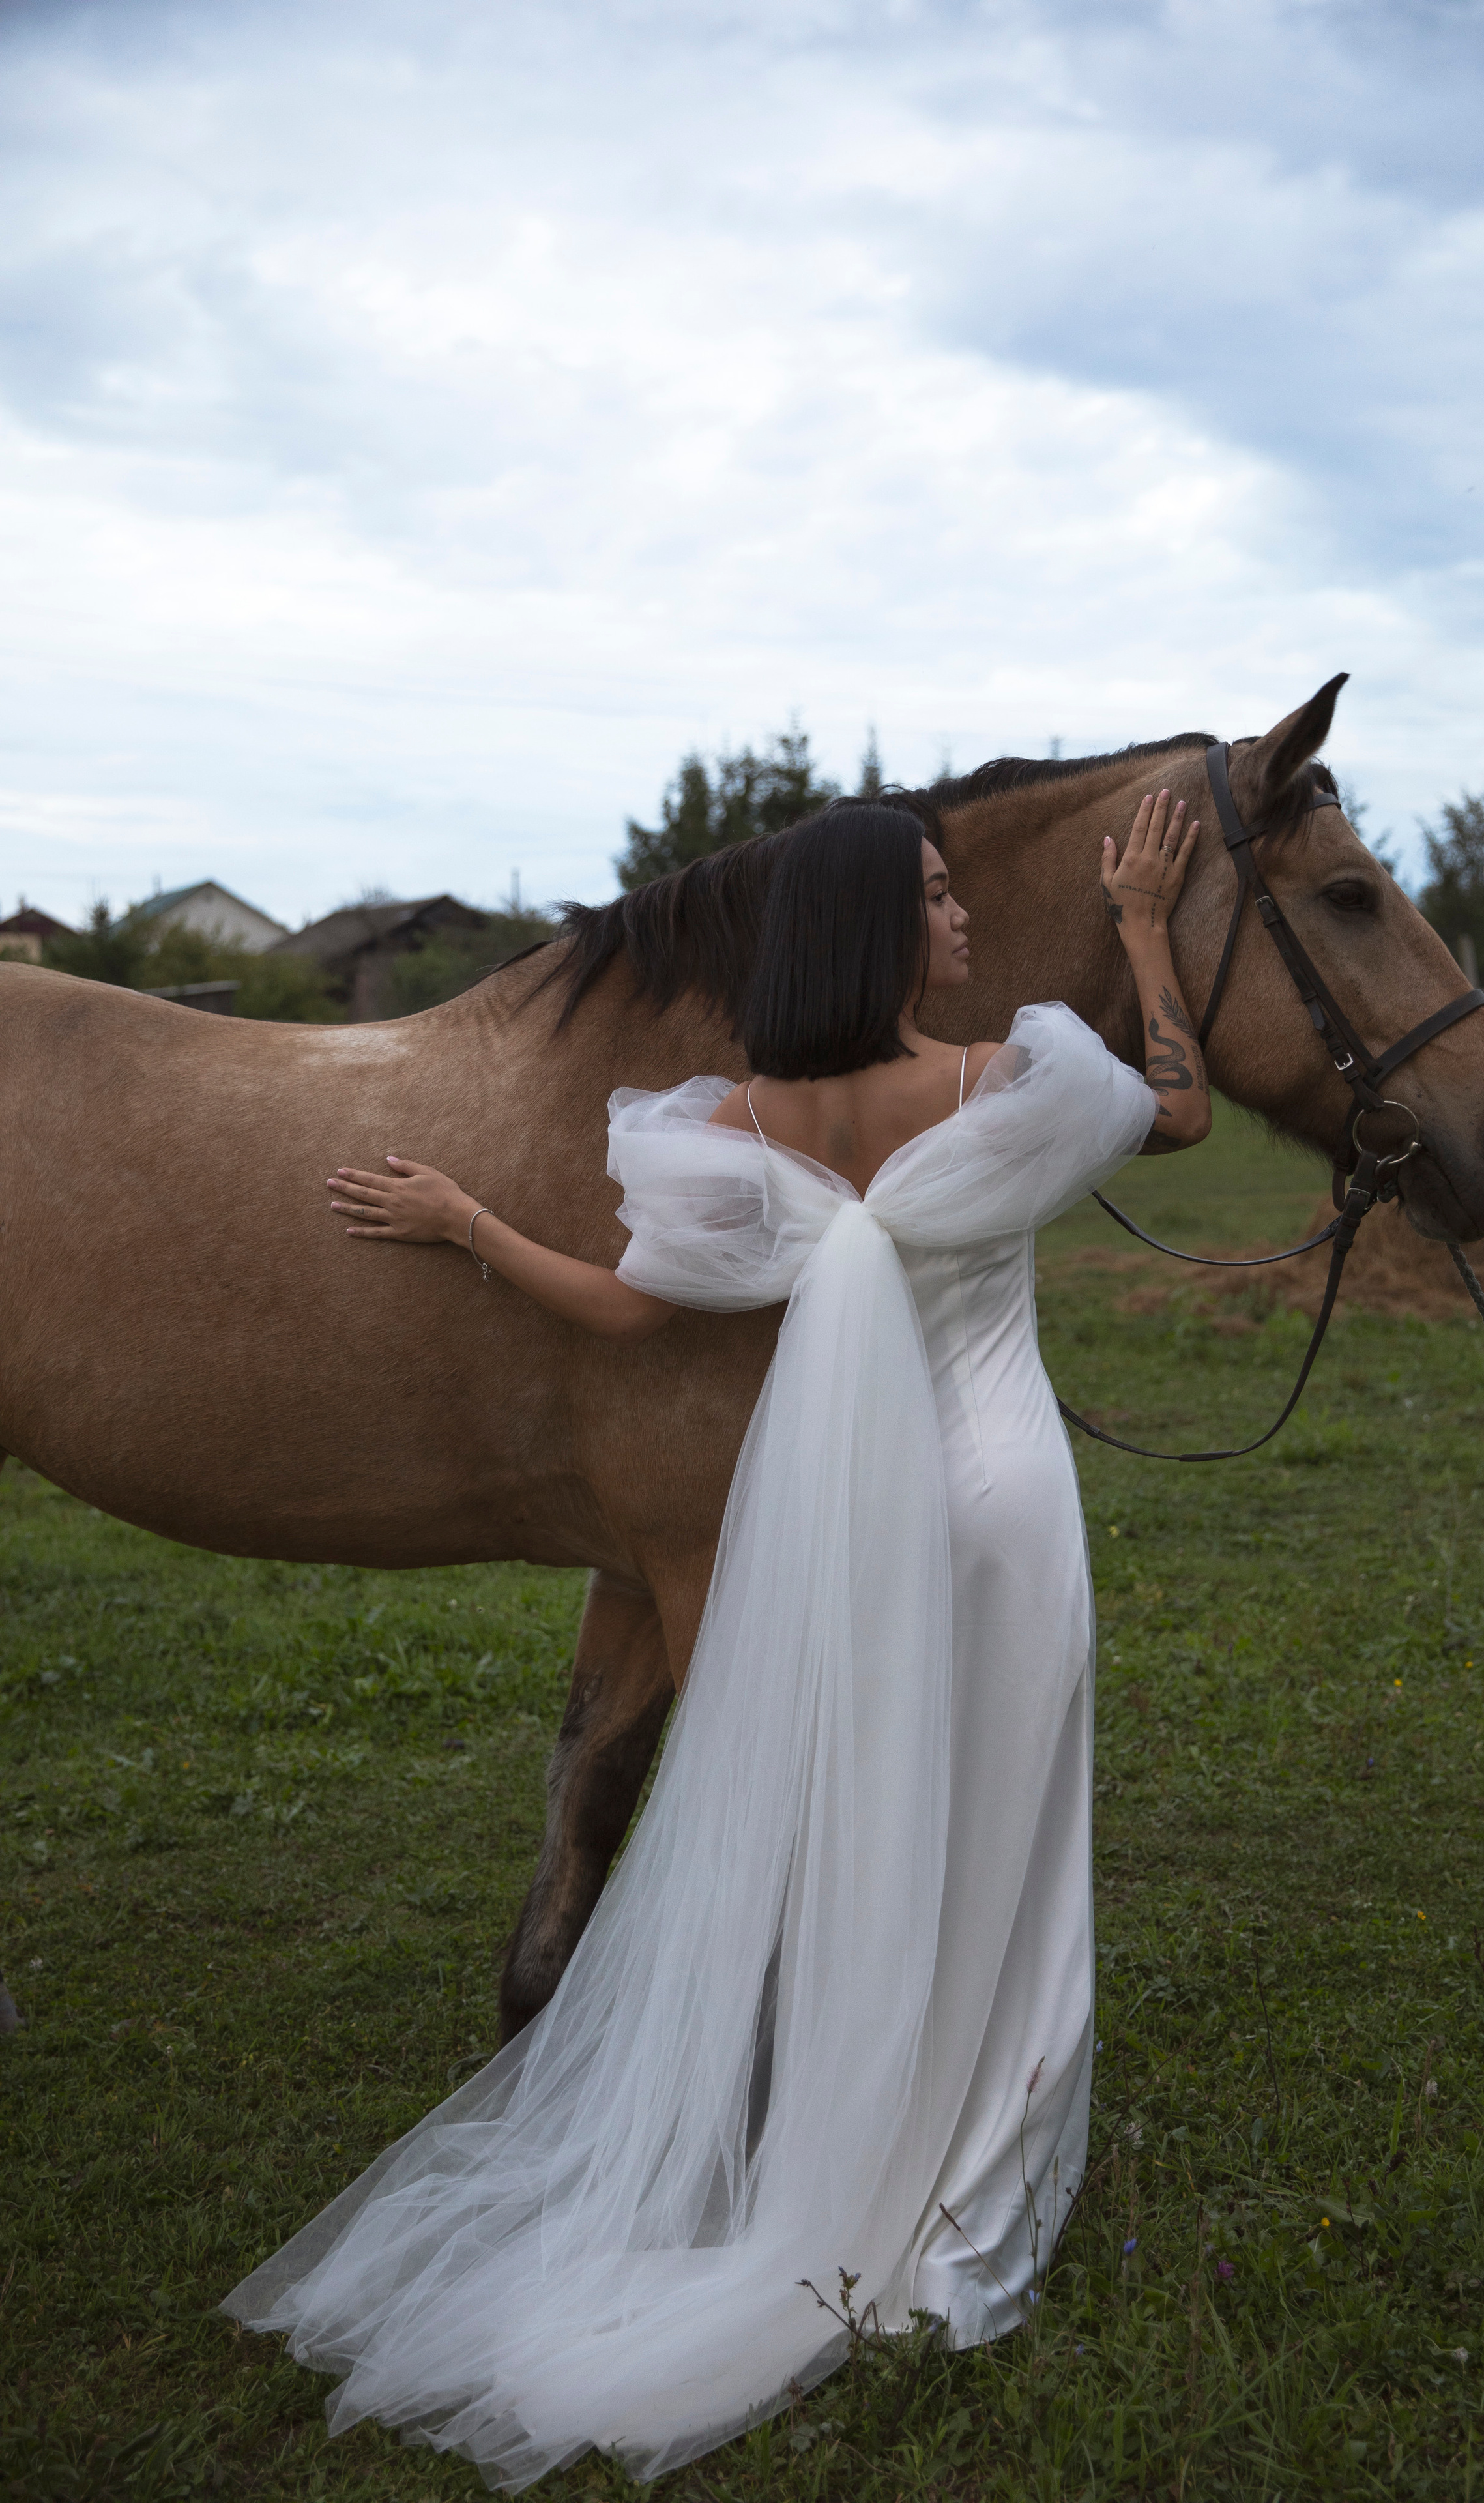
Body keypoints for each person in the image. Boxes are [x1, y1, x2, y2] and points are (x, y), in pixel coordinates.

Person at [224, 789, 1209, 2487]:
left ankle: (844, 2145)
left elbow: (633, 1308)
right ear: (875, 929)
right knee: (1007, 1822)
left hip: (863, 1530)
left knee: (879, 1818)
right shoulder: (1000, 1085)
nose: (961, 917)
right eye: (931, 896)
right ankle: (975, 2159)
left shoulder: (749, 1123)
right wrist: (1138, 923)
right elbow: (1184, 1113)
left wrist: (468, 1227)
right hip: (1005, 1502)